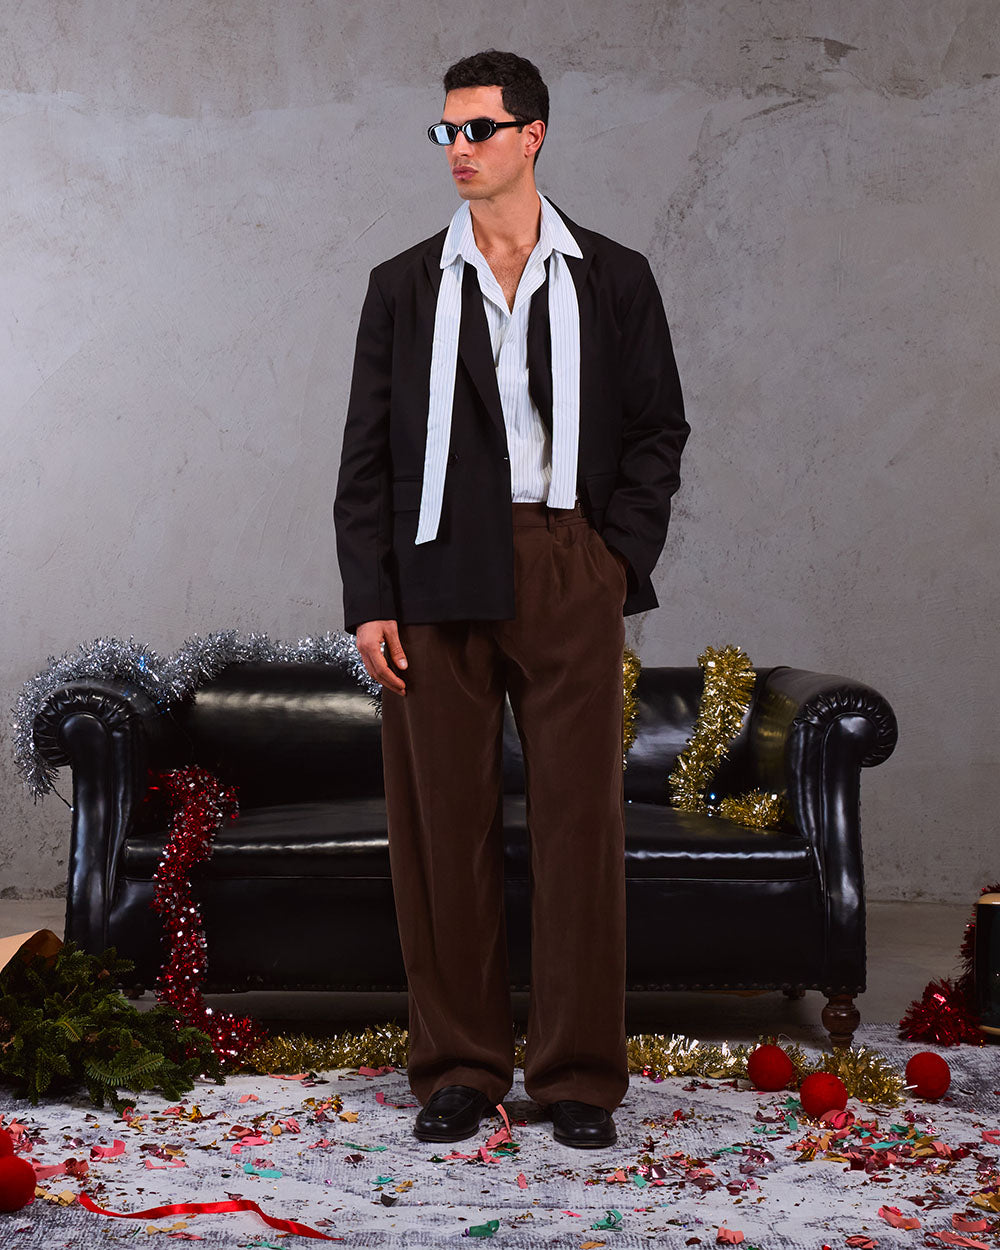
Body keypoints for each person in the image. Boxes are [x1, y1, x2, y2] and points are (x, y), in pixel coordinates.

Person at [334, 49, 688, 1149]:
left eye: (478, 129)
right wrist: (369, 597)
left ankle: (577, 1074)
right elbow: (366, 455)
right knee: (443, 827)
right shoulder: (403, 284)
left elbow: (657, 428)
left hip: (565, 561)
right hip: (433, 568)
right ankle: (460, 1066)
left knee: (581, 826)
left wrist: (613, 561)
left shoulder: (612, 276)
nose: (458, 148)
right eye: (445, 130)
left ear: (532, 135)